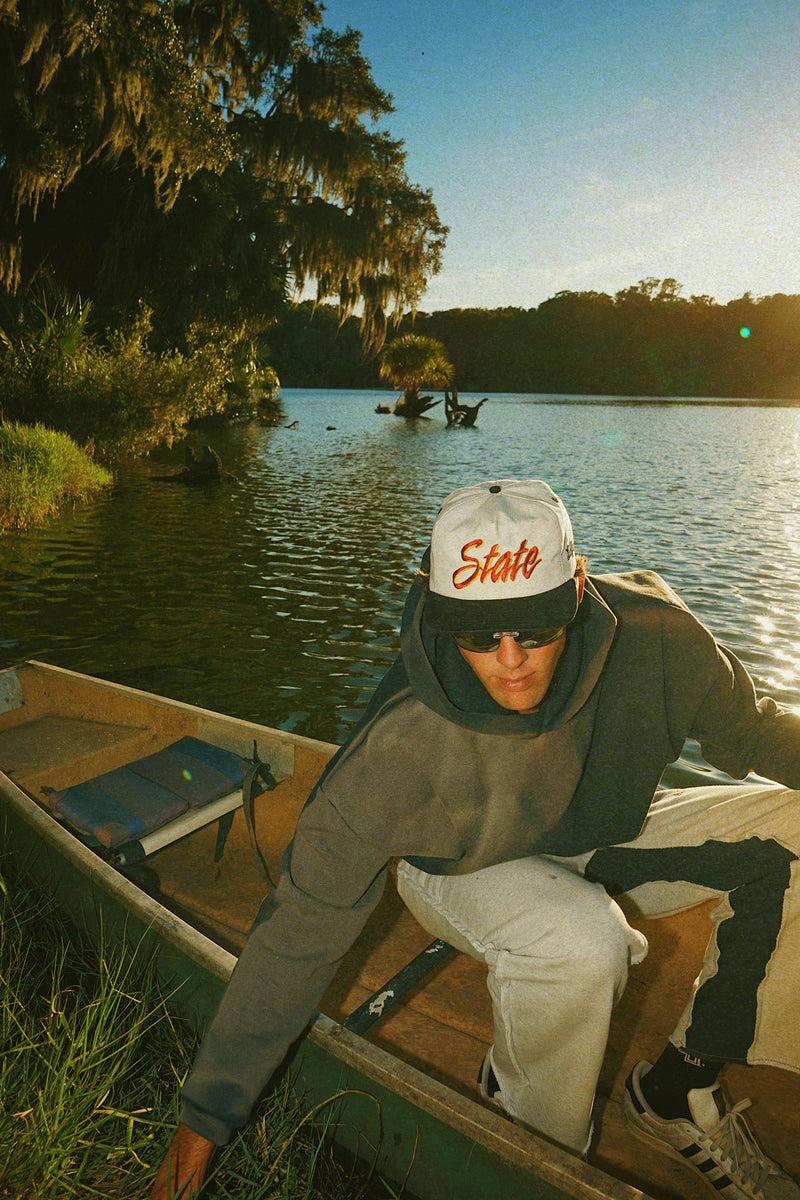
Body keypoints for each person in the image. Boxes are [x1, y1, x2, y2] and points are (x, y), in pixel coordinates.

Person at [151, 478, 800, 1199]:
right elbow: (298, 930)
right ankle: (532, 1161)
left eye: (536, 628)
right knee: (582, 941)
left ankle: (682, 1086)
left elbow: (755, 730)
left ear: (578, 591)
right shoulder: (395, 749)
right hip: (458, 858)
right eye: (479, 636)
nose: (511, 659)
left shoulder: (661, 641)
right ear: (437, 609)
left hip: (598, 828)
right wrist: (204, 1118)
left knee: (794, 826)